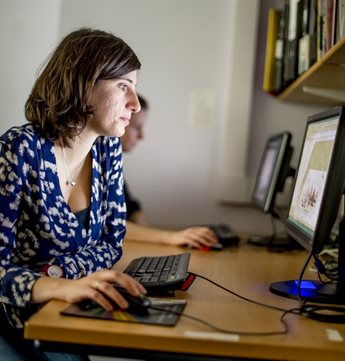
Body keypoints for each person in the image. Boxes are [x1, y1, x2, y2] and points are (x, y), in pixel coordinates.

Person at [0, 28, 147, 361]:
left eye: (134, 88)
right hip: (10, 318)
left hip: (58, 311)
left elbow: (112, 244)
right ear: (83, 84)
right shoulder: (18, 150)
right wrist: (62, 285)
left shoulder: (108, 149)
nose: (135, 104)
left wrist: (55, 274)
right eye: (123, 86)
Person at [121, 95, 220, 249]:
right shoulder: (94, 165)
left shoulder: (112, 165)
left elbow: (132, 210)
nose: (141, 136)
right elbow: (108, 227)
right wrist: (171, 237)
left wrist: (159, 240)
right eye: (137, 127)